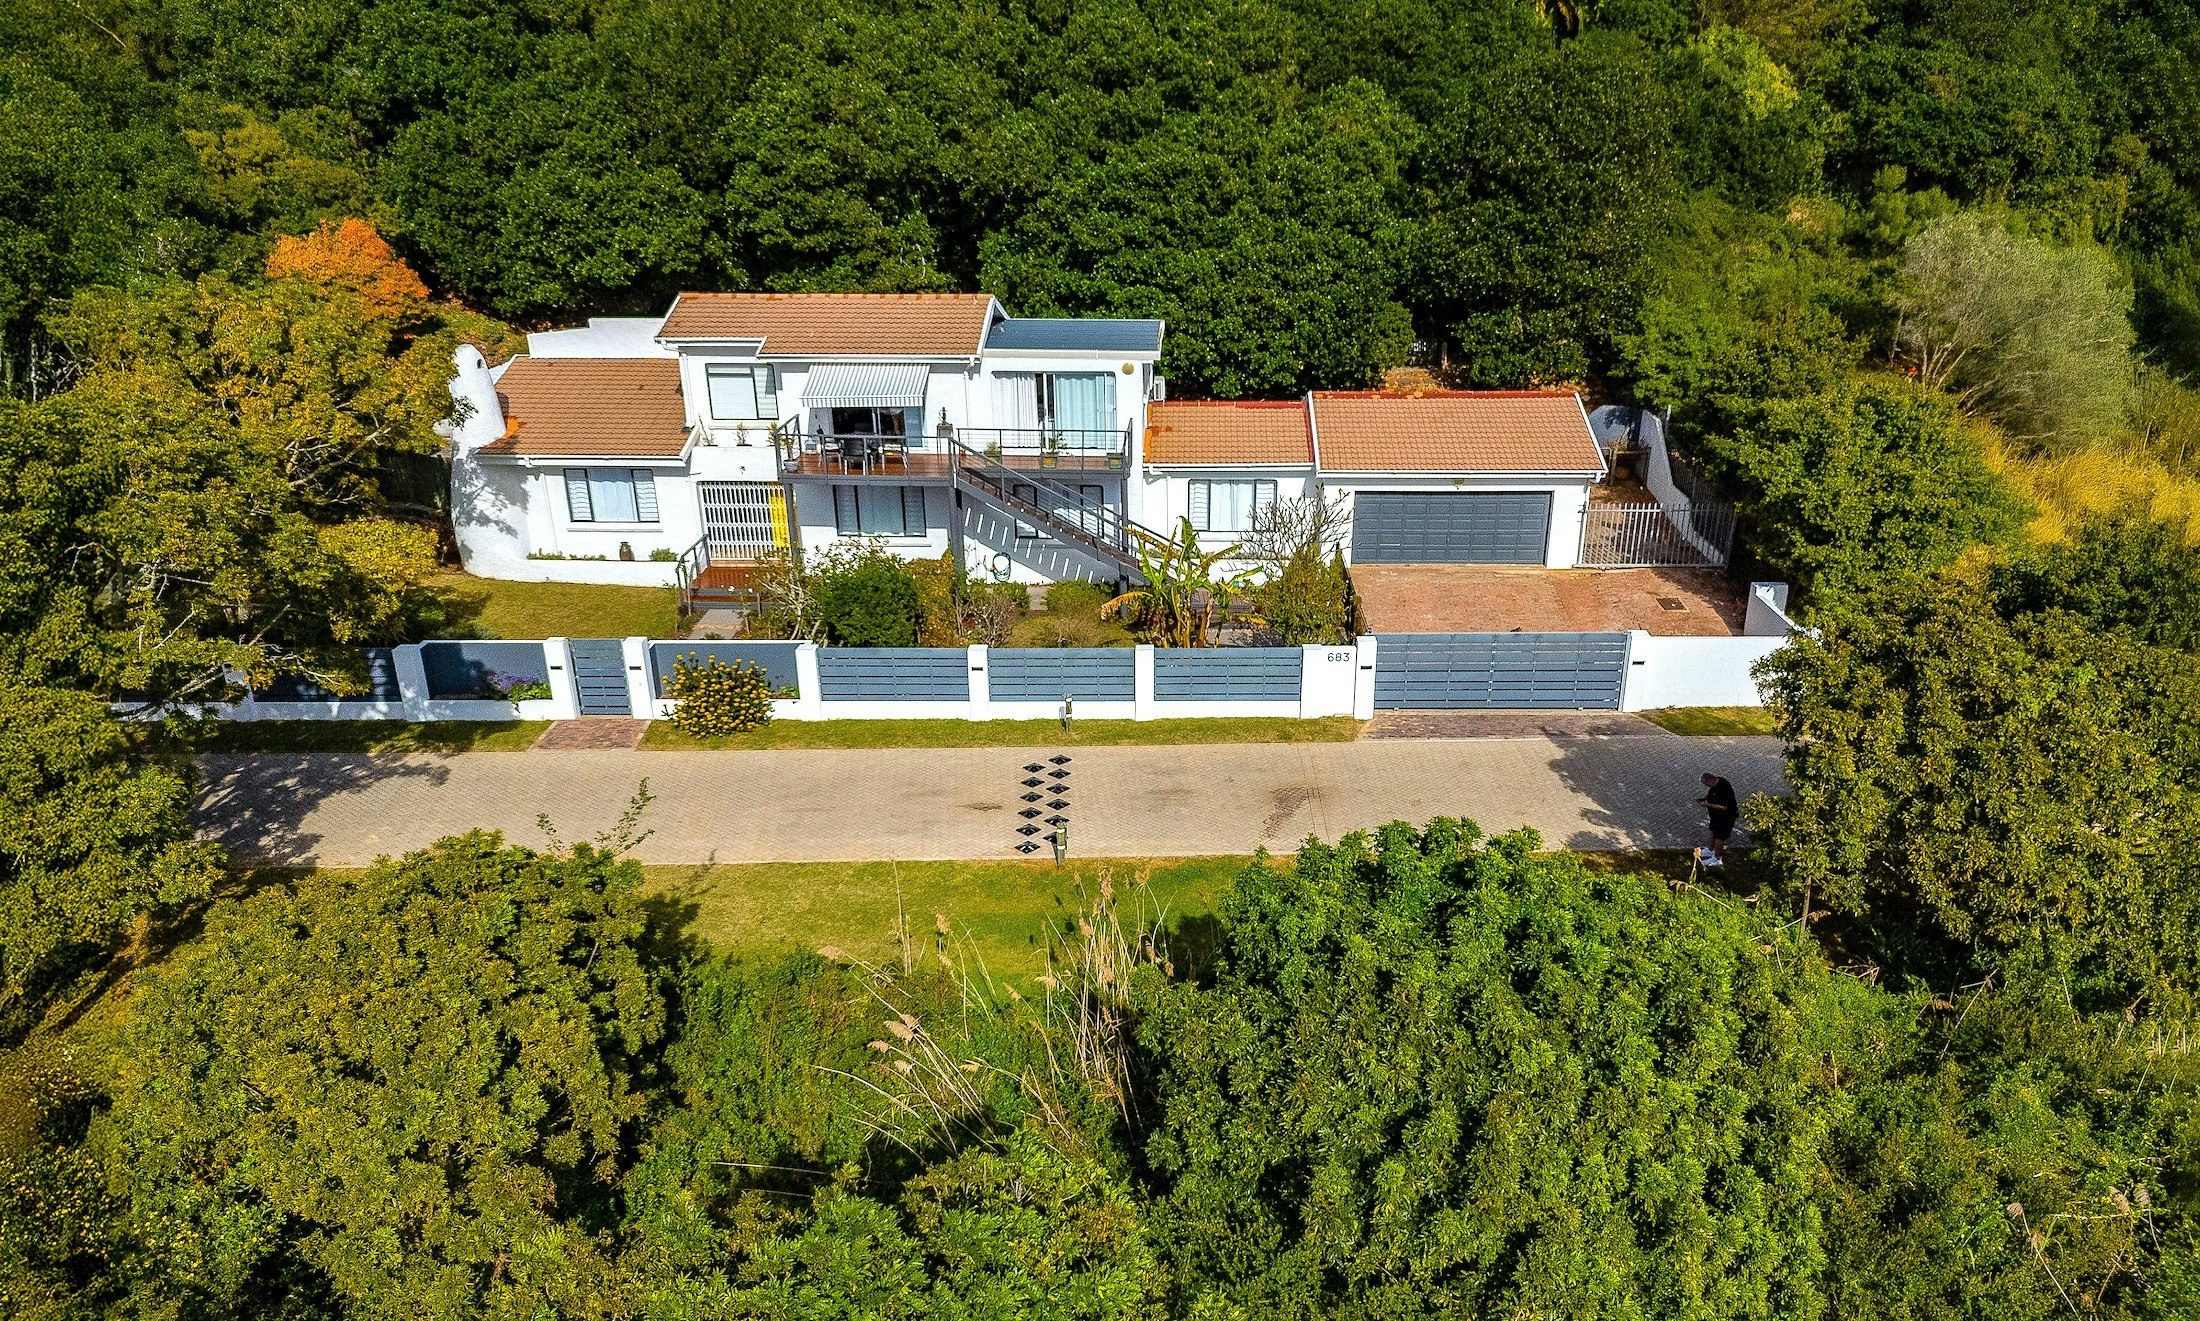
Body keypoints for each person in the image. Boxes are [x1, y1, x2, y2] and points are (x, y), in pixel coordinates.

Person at [1699, 772, 1738, 863]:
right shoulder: (1715, 783)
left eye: (1706, 784)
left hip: (1726, 817)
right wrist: (1705, 798)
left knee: (1719, 838)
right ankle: (1710, 850)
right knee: (1712, 831)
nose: (1706, 786)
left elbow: (1724, 807)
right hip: (1716, 816)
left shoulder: (1723, 788)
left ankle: (1717, 858)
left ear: (1710, 780)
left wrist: (1708, 804)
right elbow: (1711, 794)